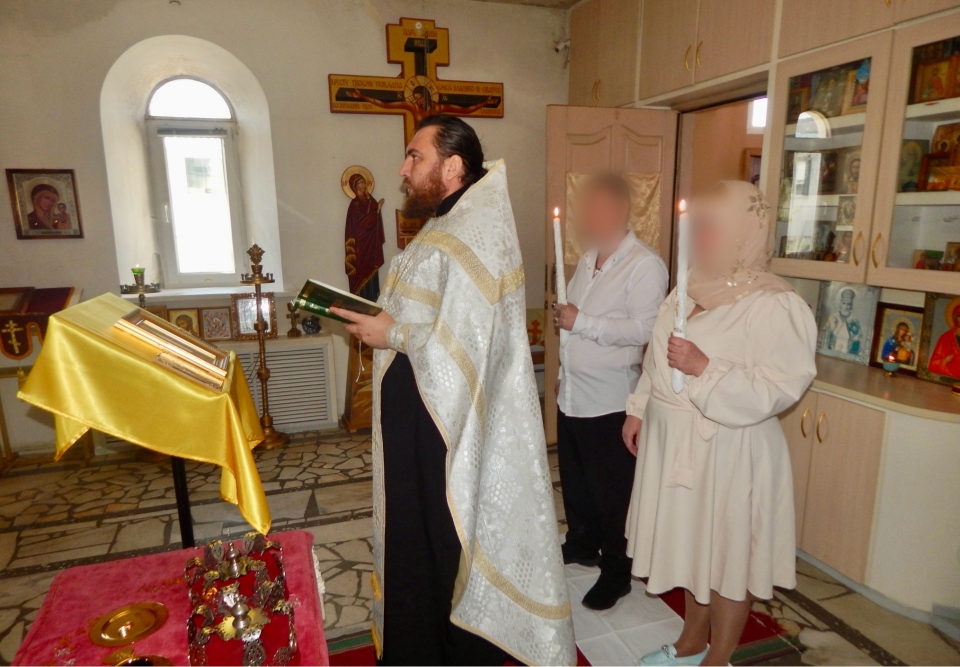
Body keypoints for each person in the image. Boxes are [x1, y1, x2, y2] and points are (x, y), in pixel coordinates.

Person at [331, 114, 575, 666]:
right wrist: (373, 318)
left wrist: (389, 333)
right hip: (419, 416)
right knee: (414, 535)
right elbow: (424, 313)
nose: (403, 169)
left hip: (444, 425)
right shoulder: (444, 224)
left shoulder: (475, 232)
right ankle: (415, 646)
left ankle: (450, 651)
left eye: (415, 156)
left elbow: (465, 343)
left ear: (453, 165)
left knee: (442, 538)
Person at [621, 181, 817, 666]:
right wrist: (639, 407)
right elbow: (657, 356)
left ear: (743, 231)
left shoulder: (774, 303)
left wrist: (705, 369)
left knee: (728, 558)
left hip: (729, 450)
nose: (699, 235)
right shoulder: (688, 285)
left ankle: (719, 657)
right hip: (674, 440)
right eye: (698, 225)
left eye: (711, 226)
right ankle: (691, 642)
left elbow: (780, 386)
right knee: (693, 548)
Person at [552, 173, 667, 610]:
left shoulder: (645, 265)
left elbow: (646, 330)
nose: (590, 215)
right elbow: (570, 322)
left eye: (599, 207)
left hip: (610, 401)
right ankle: (582, 543)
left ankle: (618, 570)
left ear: (621, 209)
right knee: (577, 482)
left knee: (612, 492)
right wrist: (565, 366)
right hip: (573, 393)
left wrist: (582, 323)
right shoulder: (589, 258)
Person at [344, 173, 386, 302]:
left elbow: (374, 222)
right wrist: (376, 210)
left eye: (364, 182)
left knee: (372, 271)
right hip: (360, 244)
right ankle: (360, 300)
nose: (363, 185)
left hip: (371, 243)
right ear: (355, 187)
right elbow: (361, 225)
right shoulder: (355, 204)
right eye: (360, 183)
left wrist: (377, 210)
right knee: (361, 272)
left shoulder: (371, 201)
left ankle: (373, 298)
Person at [821, 288, 861, 354]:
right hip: (831, 350)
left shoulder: (854, 320)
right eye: (844, 303)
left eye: (848, 304)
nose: (846, 306)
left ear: (851, 306)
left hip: (847, 352)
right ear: (840, 304)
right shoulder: (833, 317)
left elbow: (857, 338)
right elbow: (825, 332)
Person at [928, 297, 960, 377]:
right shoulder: (946, 337)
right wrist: (945, 360)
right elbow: (933, 364)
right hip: (950, 372)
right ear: (955, 318)